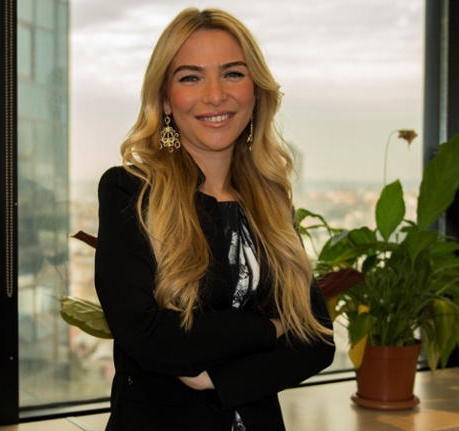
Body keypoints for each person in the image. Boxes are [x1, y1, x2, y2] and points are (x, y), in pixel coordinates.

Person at [94, 7, 335, 431]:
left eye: (232, 74)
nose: (215, 95)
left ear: (255, 92)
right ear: (165, 99)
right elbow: (145, 334)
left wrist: (218, 380)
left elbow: (316, 339)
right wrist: (270, 328)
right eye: (191, 77)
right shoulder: (130, 191)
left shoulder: (270, 199)